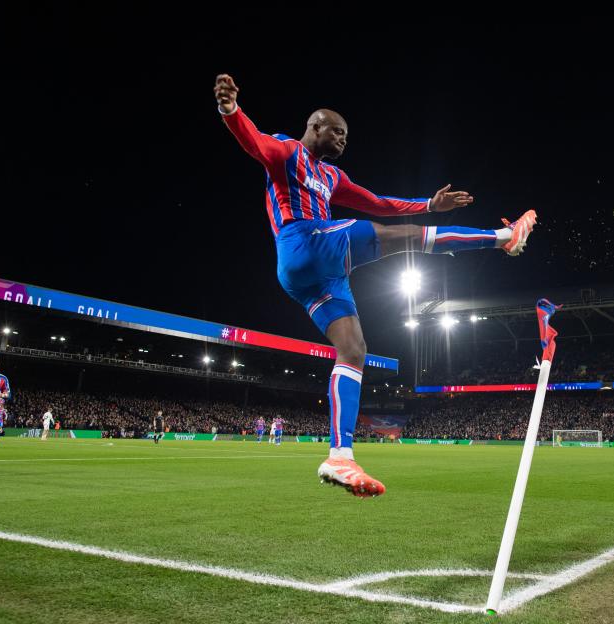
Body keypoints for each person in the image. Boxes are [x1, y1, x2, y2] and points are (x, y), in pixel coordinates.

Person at [215, 74, 536, 497]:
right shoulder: (287, 152)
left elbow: (378, 202)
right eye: (337, 131)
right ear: (314, 127)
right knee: (398, 237)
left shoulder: (331, 177)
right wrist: (230, 110)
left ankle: (340, 457)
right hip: (303, 242)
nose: (344, 139)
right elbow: (252, 141)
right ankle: (502, 238)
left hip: (320, 274)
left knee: (353, 350)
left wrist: (427, 205)